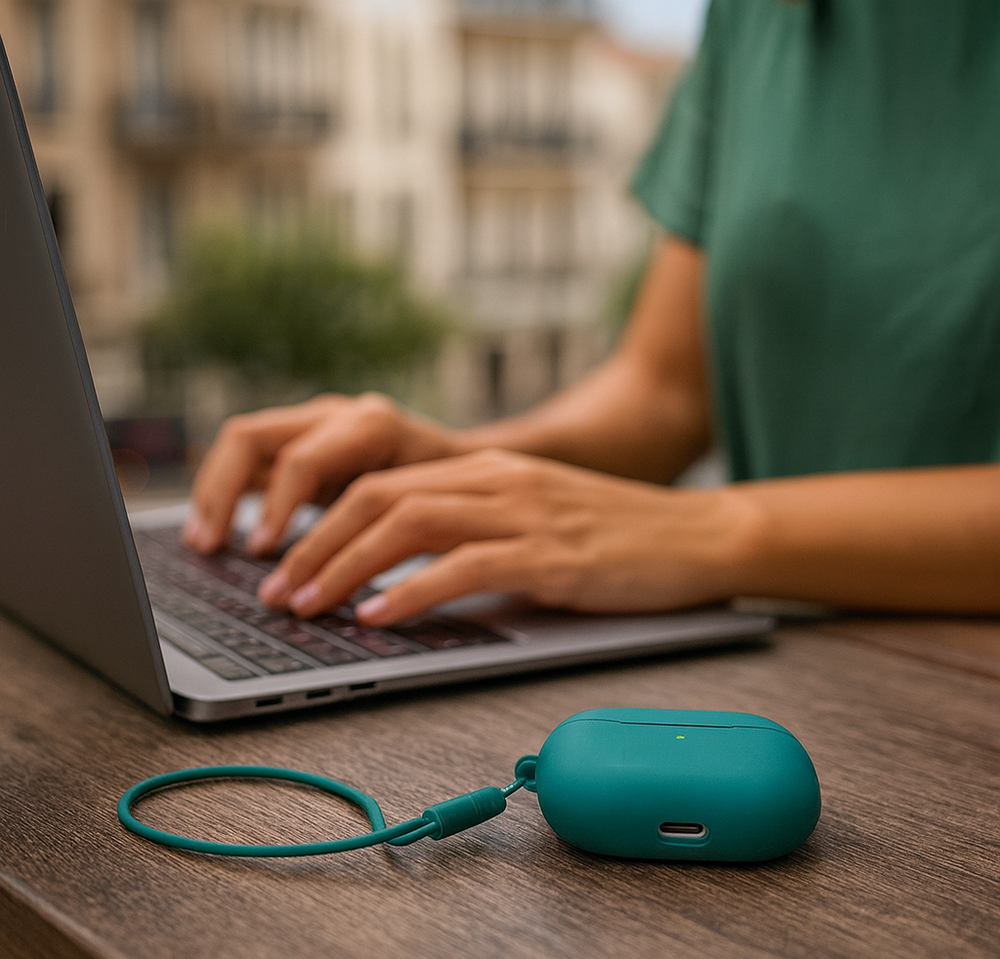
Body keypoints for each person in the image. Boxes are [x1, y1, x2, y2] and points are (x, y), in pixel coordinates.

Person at [182, 0, 1000, 626]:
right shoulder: (758, 17)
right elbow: (665, 391)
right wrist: (458, 467)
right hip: (793, 669)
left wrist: (708, 535)